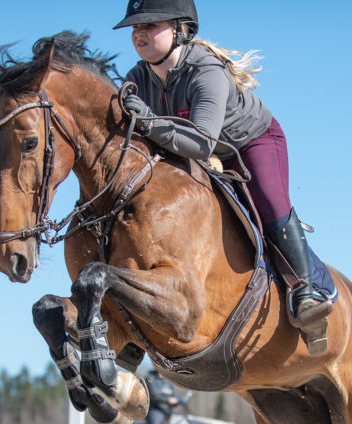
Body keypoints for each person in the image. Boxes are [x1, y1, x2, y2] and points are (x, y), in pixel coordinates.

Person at [113, 0, 331, 354]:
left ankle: (305, 293)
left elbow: (201, 141)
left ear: (182, 29)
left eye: (150, 25)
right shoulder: (137, 78)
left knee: (269, 205)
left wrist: (149, 122)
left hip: (248, 143)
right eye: (135, 27)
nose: (139, 33)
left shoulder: (206, 70)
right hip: (191, 149)